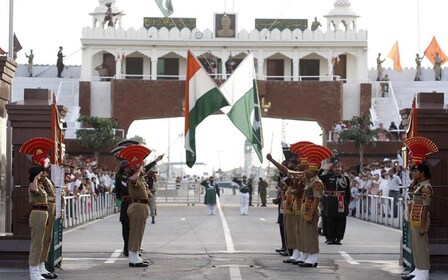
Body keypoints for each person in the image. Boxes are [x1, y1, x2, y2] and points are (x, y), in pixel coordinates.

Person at [116, 145, 153, 267]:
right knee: (135, 232)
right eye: (141, 166)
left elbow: (148, 194)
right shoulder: (133, 178)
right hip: (137, 206)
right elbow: (132, 180)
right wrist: (138, 170)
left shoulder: (141, 179)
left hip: (142, 206)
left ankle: (135, 255)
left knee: (139, 232)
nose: (143, 168)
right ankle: (132, 258)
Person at [297, 144, 331, 268]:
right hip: (305, 207)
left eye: (308, 170)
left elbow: (317, 199)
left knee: (311, 234)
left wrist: (310, 214)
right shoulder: (309, 180)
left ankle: (313, 256)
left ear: (314, 172)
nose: (306, 171)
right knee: (304, 233)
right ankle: (306, 253)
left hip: (311, 209)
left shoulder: (317, 182)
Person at [318, 161, 351, 245]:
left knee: (341, 219)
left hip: (341, 200)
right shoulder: (328, 177)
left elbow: (348, 191)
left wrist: (348, 202)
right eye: (335, 167)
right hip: (330, 201)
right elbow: (318, 177)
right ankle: (330, 238)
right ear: (332, 169)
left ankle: (339, 238)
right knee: (330, 219)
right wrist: (323, 169)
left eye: (338, 167)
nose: (337, 169)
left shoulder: (345, 178)